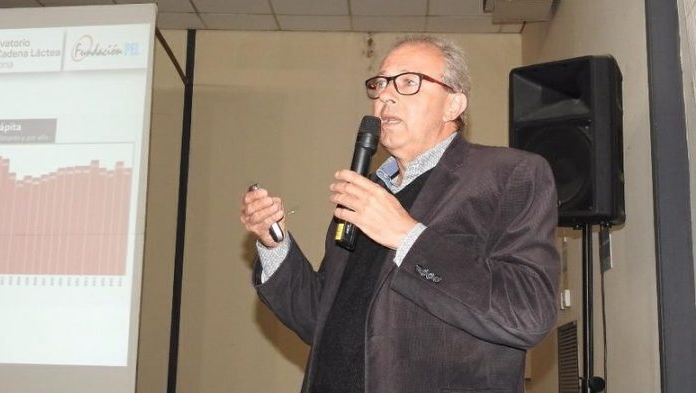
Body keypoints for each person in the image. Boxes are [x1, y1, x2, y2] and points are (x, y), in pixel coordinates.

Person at [239, 35, 560, 393]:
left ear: (453, 105)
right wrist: (274, 245)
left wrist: (408, 237)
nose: (385, 96)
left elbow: (527, 313)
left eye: (408, 82)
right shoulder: (365, 194)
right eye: (380, 84)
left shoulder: (509, 175)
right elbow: (321, 318)